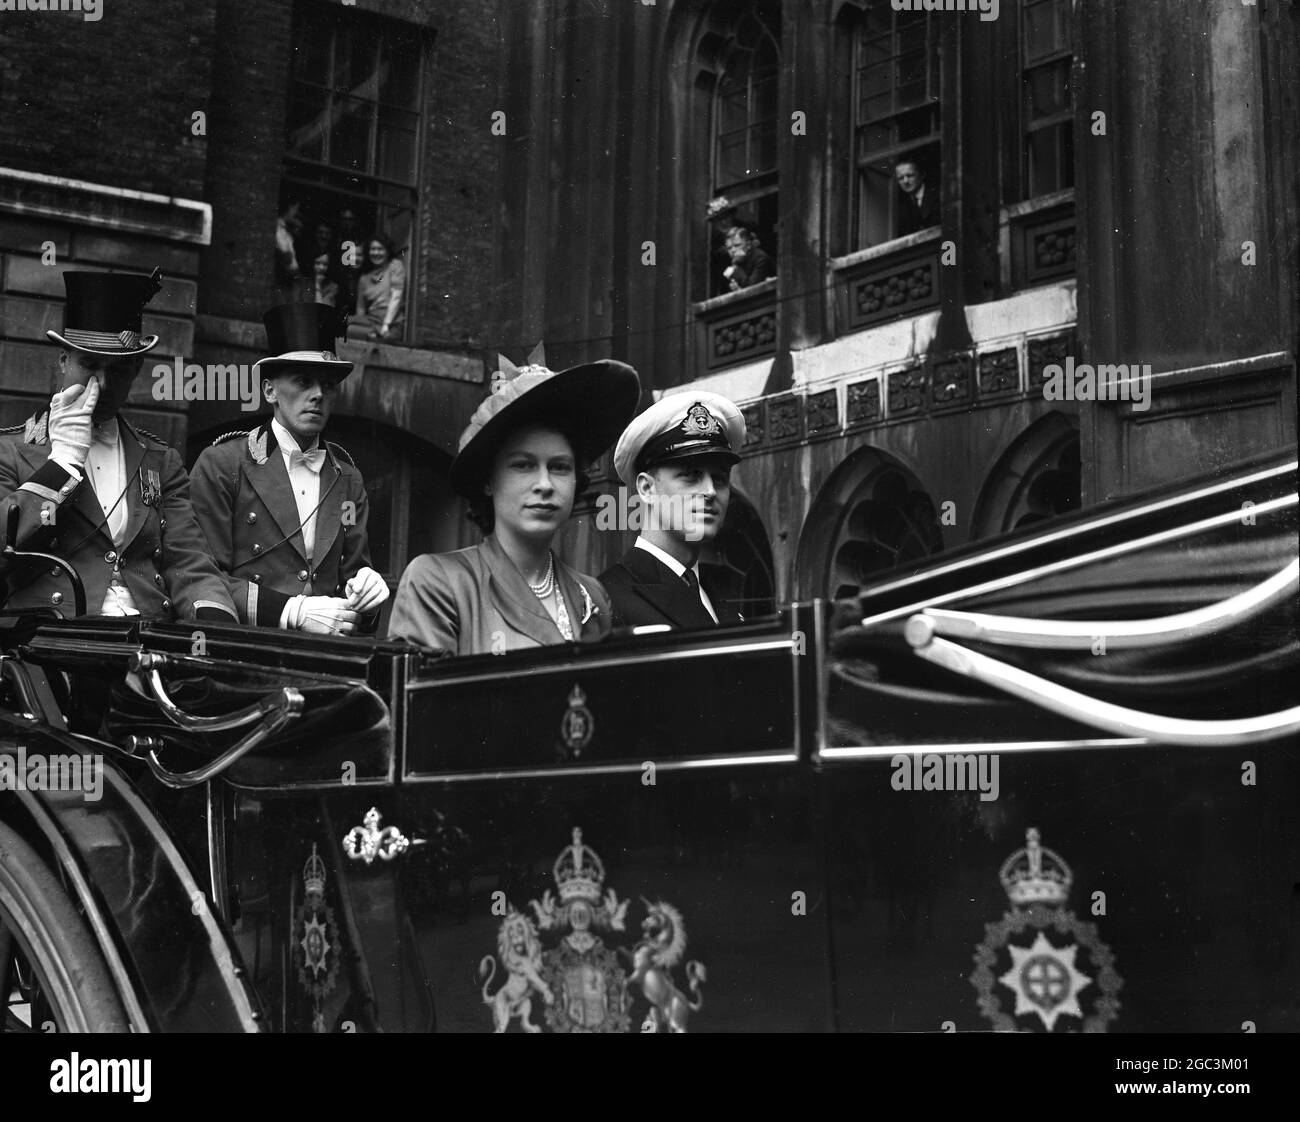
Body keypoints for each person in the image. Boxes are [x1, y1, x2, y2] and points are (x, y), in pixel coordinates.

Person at [0, 270, 238, 623]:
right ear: (63, 360)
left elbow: (189, 561)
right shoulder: (11, 451)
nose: (104, 383)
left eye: (120, 369)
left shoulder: (160, 461)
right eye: (90, 364)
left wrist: (216, 627)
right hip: (51, 643)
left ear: (137, 369)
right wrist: (61, 463)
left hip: (146, 640)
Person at [388, 351, 640, 656]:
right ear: (488, 480)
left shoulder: (591, 595)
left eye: (559, 467)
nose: (545, 484)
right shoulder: (440, 581)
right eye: (523, 465)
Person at [190, 303, 387, 635]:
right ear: (270, 391)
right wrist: (289, 611)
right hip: (247, 648)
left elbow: (351, 578)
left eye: (328, 384)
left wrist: (367, 599)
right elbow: (199, 577)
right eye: (303, 381)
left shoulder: (349, 482)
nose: (317, 395)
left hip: (323, 657)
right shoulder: (223, 465)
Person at [599, 392, 747, 630]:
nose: (709, 491)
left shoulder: (719, 589)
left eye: (719, 479)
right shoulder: (607, 598)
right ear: (647, 488)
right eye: (691, 476)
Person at [354, 233, 405, 341]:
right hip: (371, 321)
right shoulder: (364, 278)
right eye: (373, 249)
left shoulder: (395, 266)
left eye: (380, 249)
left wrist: (386, 324)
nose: (376, 253)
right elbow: (361, 308)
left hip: (390, 323)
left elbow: (396, 297)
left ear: (387, 251)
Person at [722, 225, 776, 291]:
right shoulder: (739, 260)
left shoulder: (760, 258)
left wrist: (736, 269)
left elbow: (752, 288)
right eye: (729, 248)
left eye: (737, 245)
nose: (733, 250)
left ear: (748, 245)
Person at [895, 159, 939, 237]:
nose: (905, 181)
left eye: (910, 176)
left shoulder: (938, 195)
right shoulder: (902, 206)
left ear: (922, 175)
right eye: (901, 178)